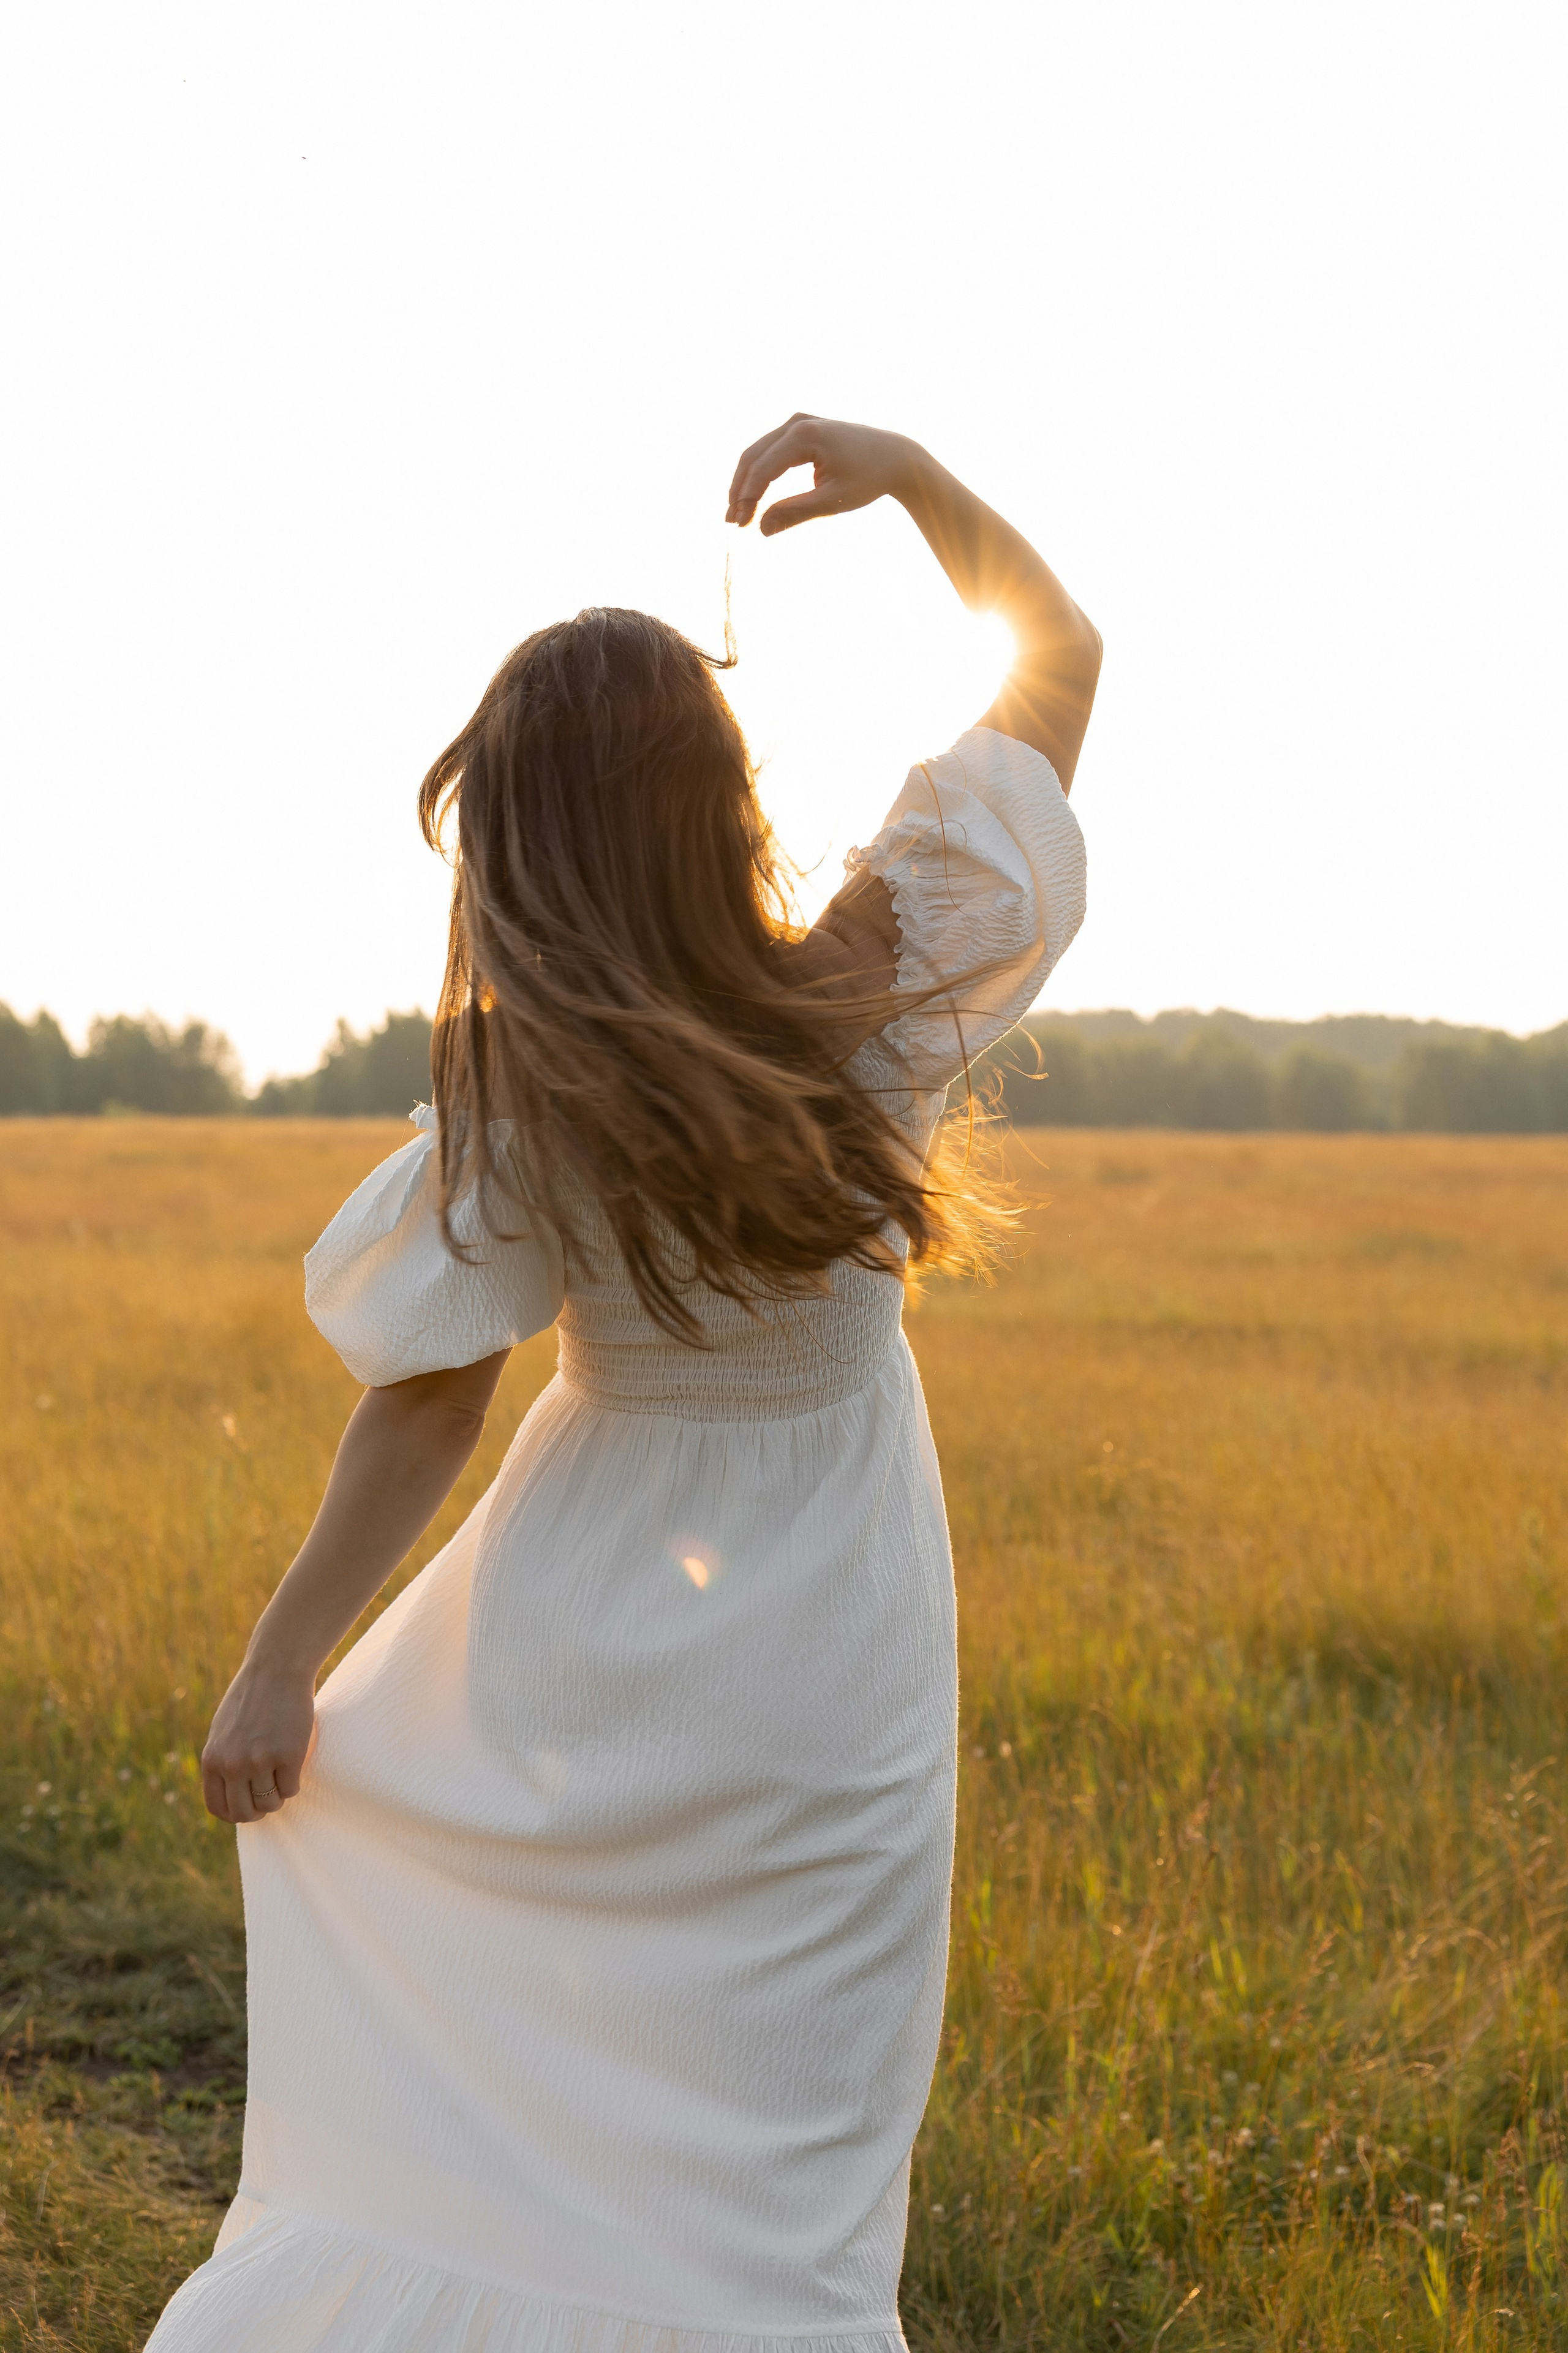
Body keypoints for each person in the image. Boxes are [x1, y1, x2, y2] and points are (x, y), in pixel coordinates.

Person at [146, 416, 1100, 2352]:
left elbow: (430, 1396)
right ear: (717, 795)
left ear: (520, 832)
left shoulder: (533, 1078)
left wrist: (285, 1657)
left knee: (536, 2037)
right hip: (831, 1614)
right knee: (790, 2145)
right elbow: (1062, 658)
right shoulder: (879, 973)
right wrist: (908, 475)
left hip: (585, 1594)